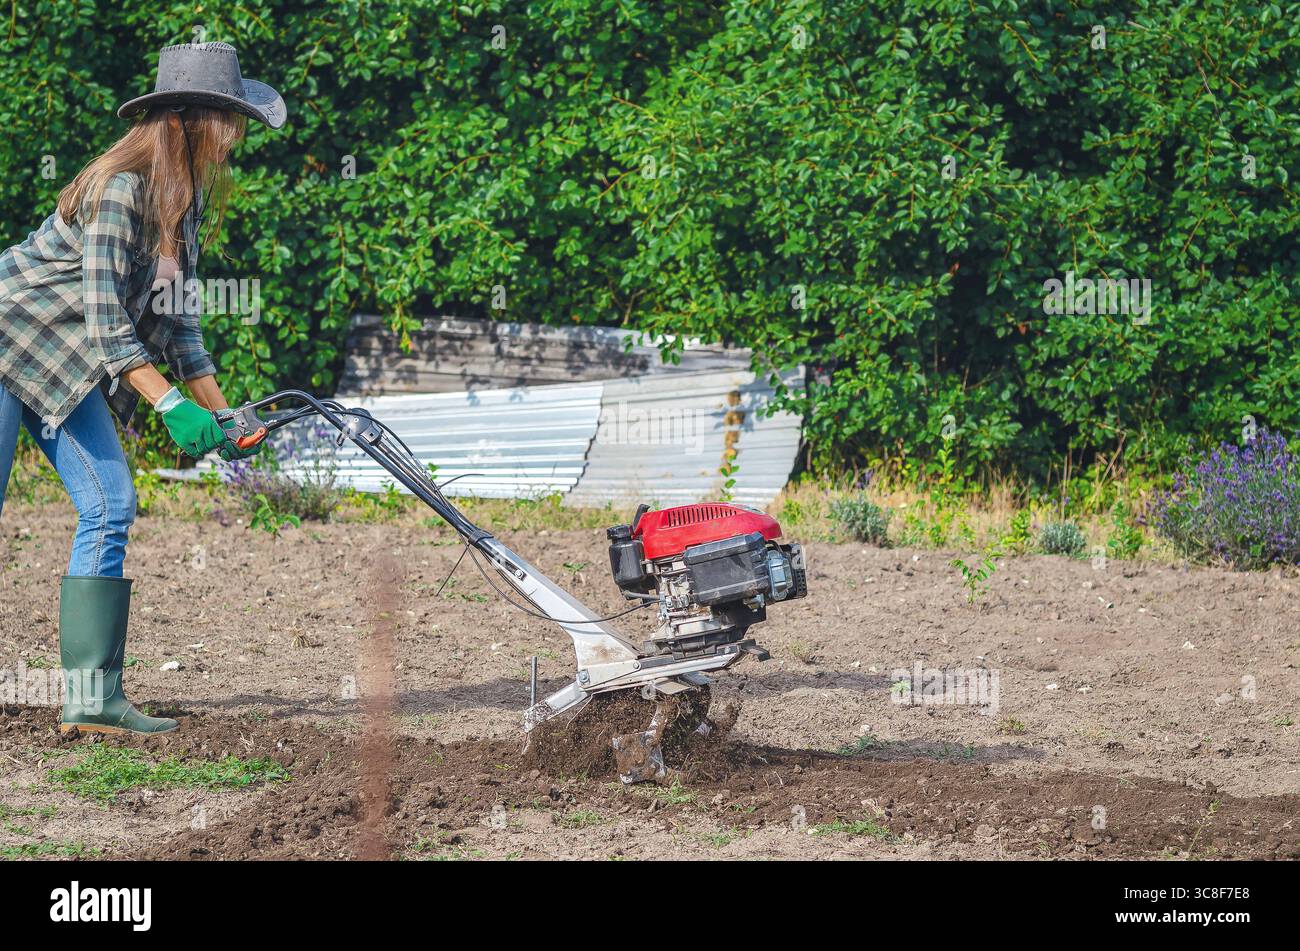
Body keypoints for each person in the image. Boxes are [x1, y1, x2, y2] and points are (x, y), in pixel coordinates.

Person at [0, 42, 286, 734]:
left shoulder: (179, 213)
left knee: (111, 503)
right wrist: (168, 405)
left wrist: (225, 415)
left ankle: (92, 699)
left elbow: (181, 330)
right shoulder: (117, 191)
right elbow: (108, 330)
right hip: (11, 342)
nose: (237, 136)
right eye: (230, 119)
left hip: (60, 370)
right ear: (189, 120)